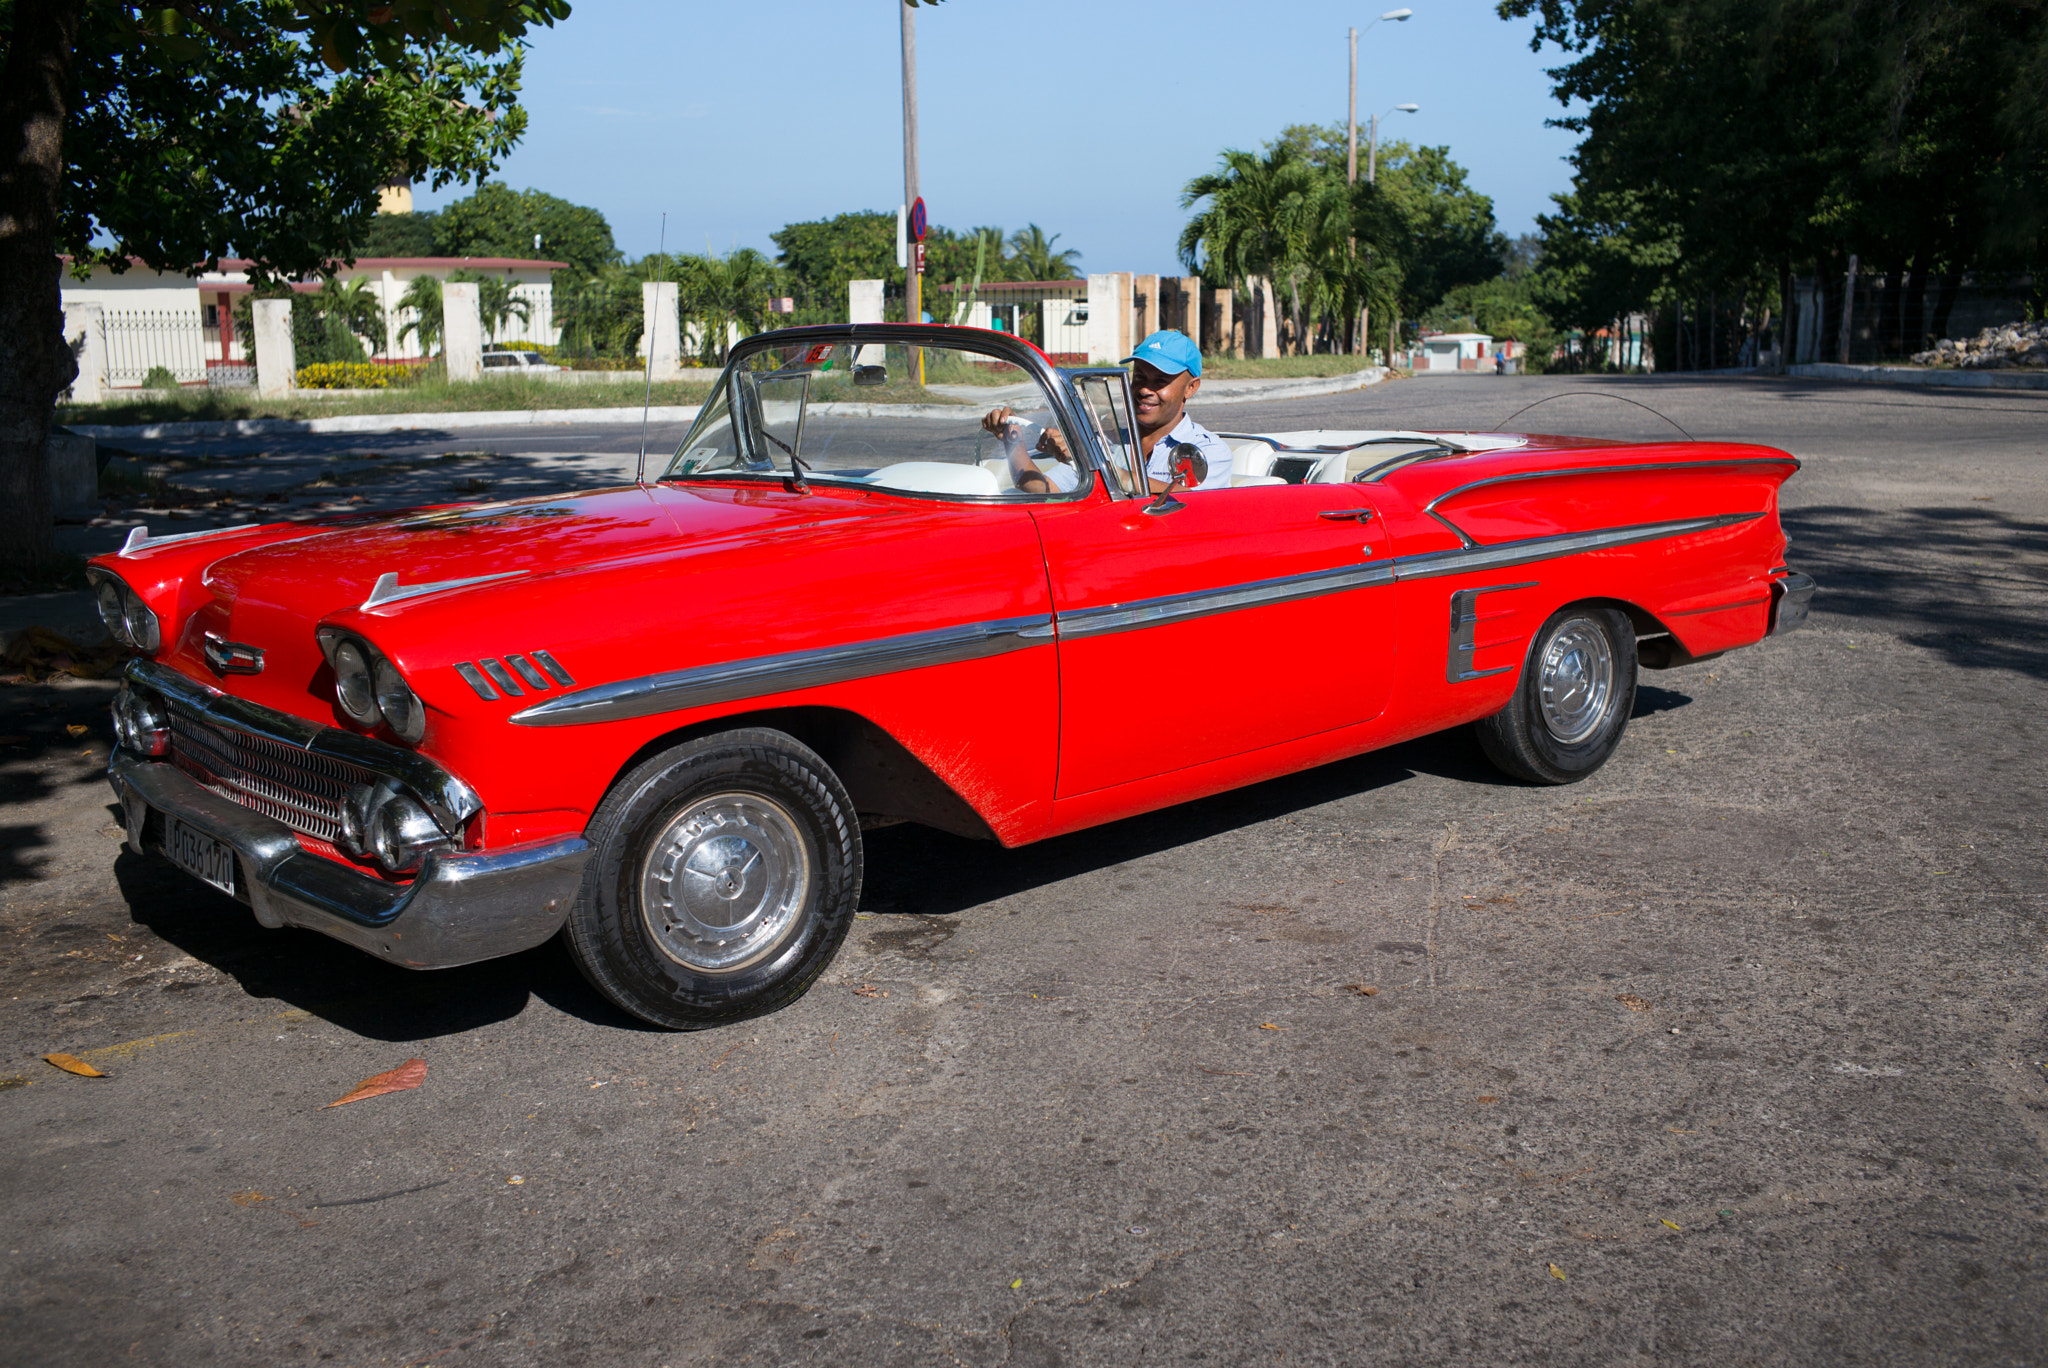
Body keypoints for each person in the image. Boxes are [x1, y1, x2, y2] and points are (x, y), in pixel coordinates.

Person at [982, 329, 1234, 495]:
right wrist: (1013, 443)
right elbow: (1043, 489)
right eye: (1140, 377)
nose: (1145, 389)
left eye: (1160, 381)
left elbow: (1190, 500)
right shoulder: (1107, 442)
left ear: (1191, 388)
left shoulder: (1208, 450)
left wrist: (1093, 461)